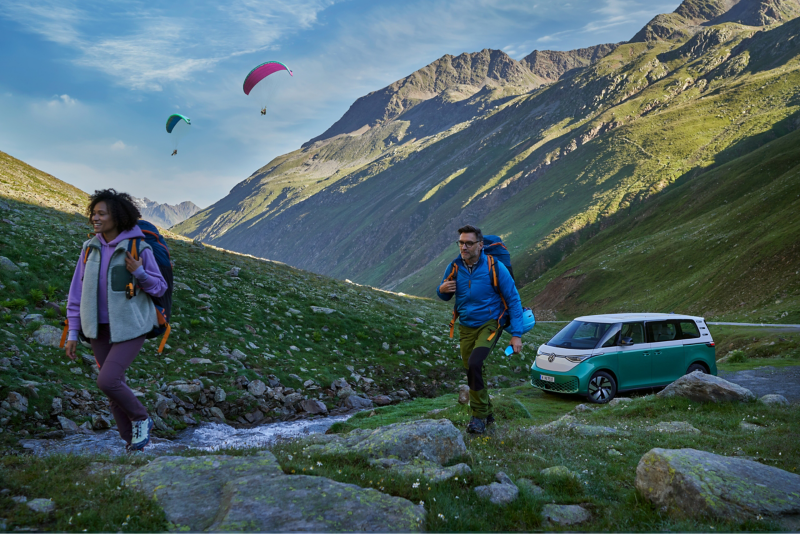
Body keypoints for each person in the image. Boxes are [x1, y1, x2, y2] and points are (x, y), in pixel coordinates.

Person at [65, 189, 167, 451]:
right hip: (98, 329)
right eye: (94, 213)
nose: (95, 218)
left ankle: (142, 418)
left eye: (101, 213)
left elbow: (159, 288)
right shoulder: (89, 249)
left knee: (107, 381)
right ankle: (133, 446)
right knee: (113, 388)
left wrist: (140, 273)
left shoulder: (138, 248)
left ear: (117, 217)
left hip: (132, 327)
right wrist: (73, 333)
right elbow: (75, 294)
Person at [437, 224, 524, 434]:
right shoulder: (455, 267)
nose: (464, 247)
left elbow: (513, 299)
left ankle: (478, 417)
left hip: (490, 324)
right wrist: (441, 290)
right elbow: (445, 294)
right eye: (461, 243)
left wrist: (516, 335)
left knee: (476, 363)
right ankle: (487, 412)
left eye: (469, 243)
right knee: (472, 369)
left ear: (480, 245)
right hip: (466, 326)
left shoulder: (495, 267)